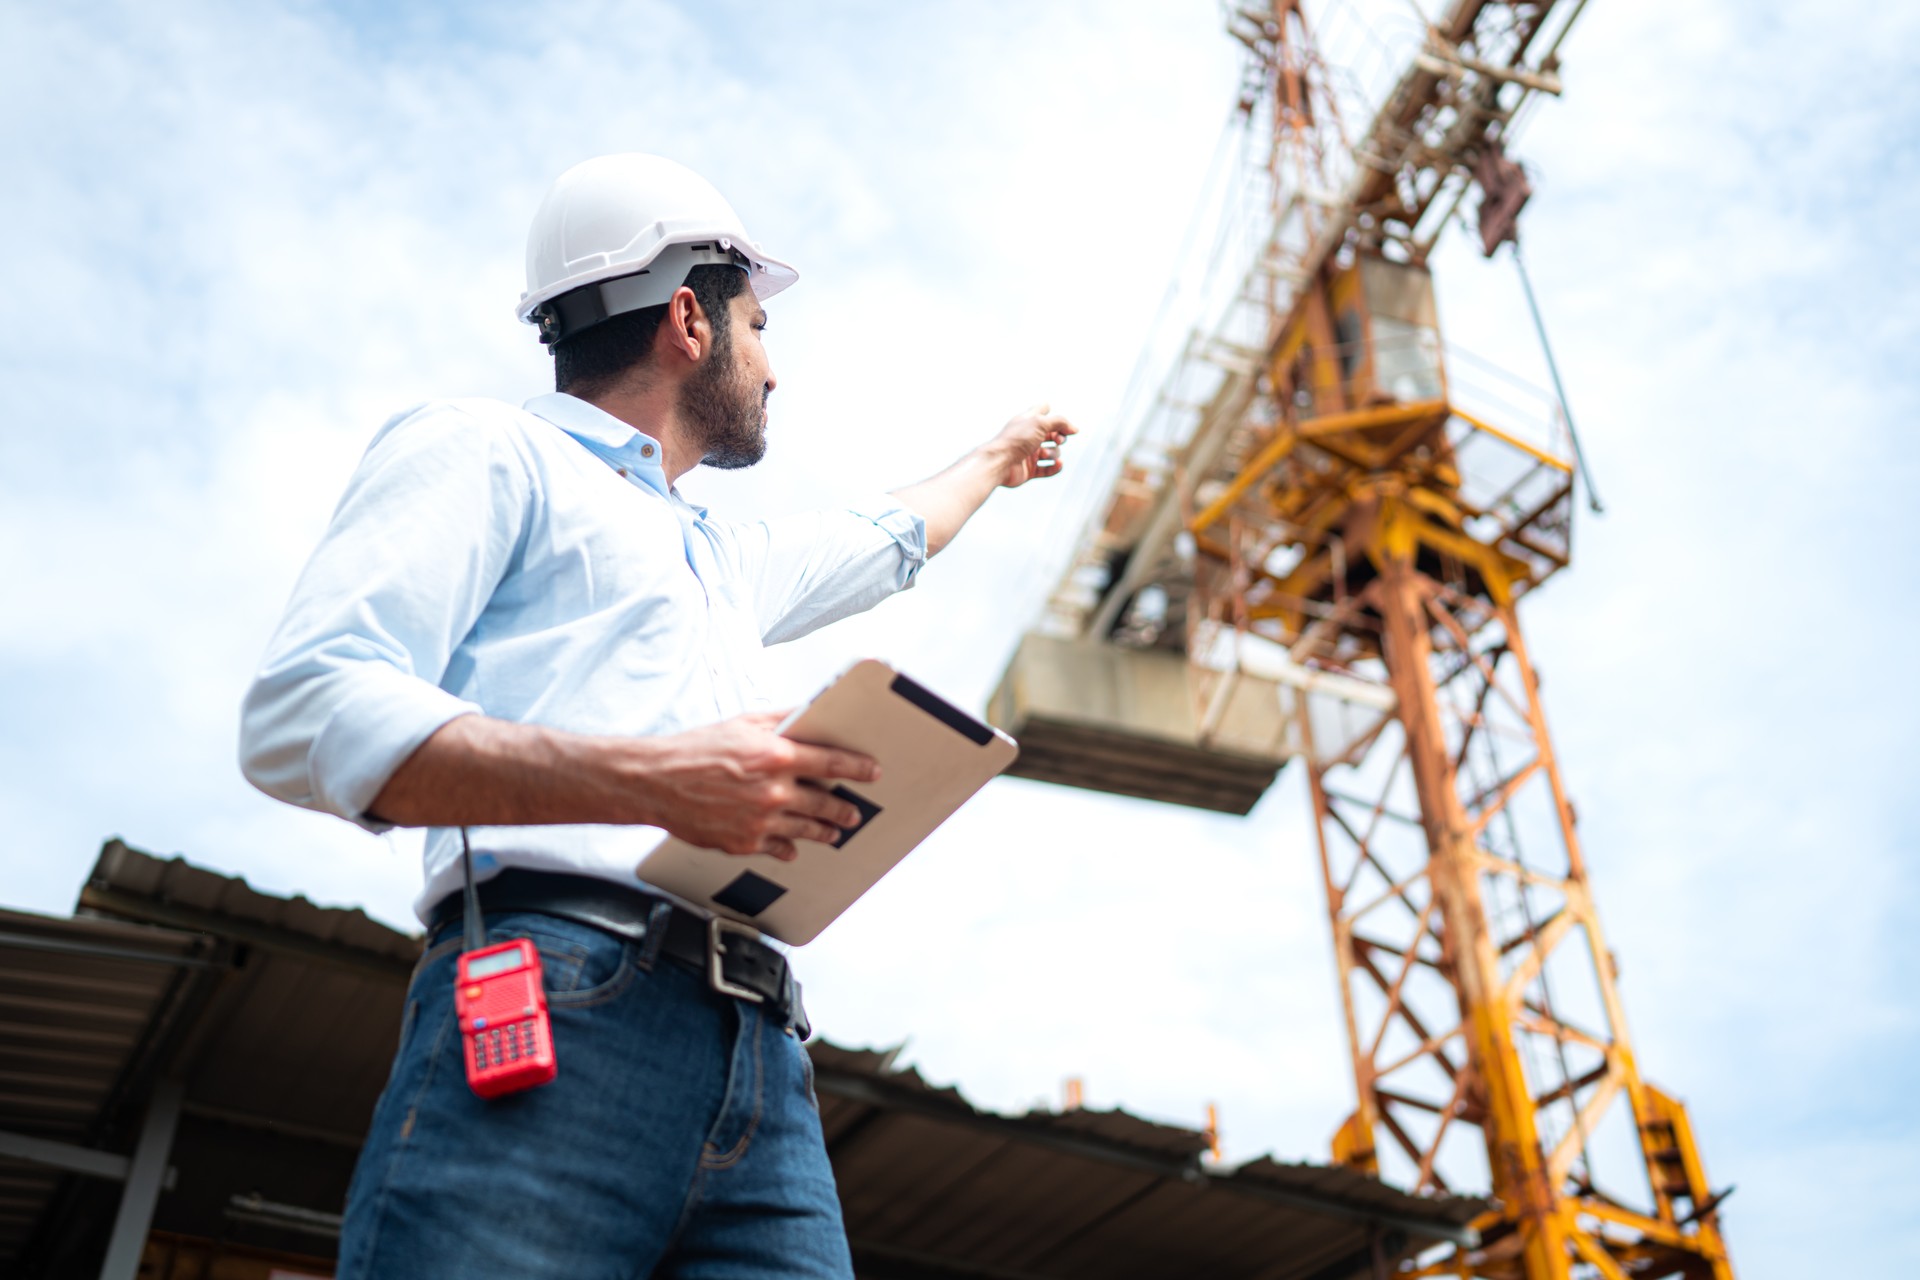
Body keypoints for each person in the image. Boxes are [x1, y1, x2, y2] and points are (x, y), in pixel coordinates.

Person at [238, 153, 1073, 1278]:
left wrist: (994, 457)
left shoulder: (714, 557)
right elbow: (304, 707)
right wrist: (646, 778)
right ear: (690, 318)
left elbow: (879, 538)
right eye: (761, 328)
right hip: (562, 994)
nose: (774, 372)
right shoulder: (490, 451)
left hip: (764, 1058)